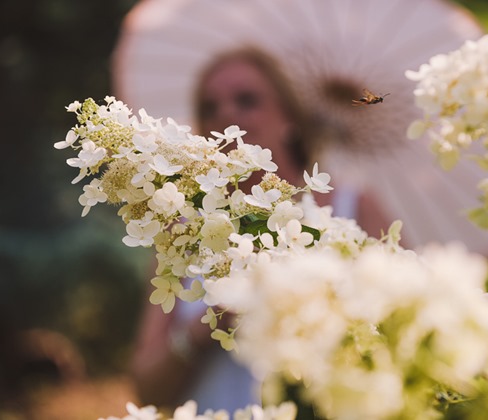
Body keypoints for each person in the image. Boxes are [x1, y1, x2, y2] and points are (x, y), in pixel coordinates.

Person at [128, 47, 392, 412]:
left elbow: (400, 328)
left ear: (289, 119)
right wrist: (209, 327)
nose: (226, 113)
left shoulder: (353, 205)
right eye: (209, 106)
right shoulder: (182, 230)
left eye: (246, 99)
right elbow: (147, 391)